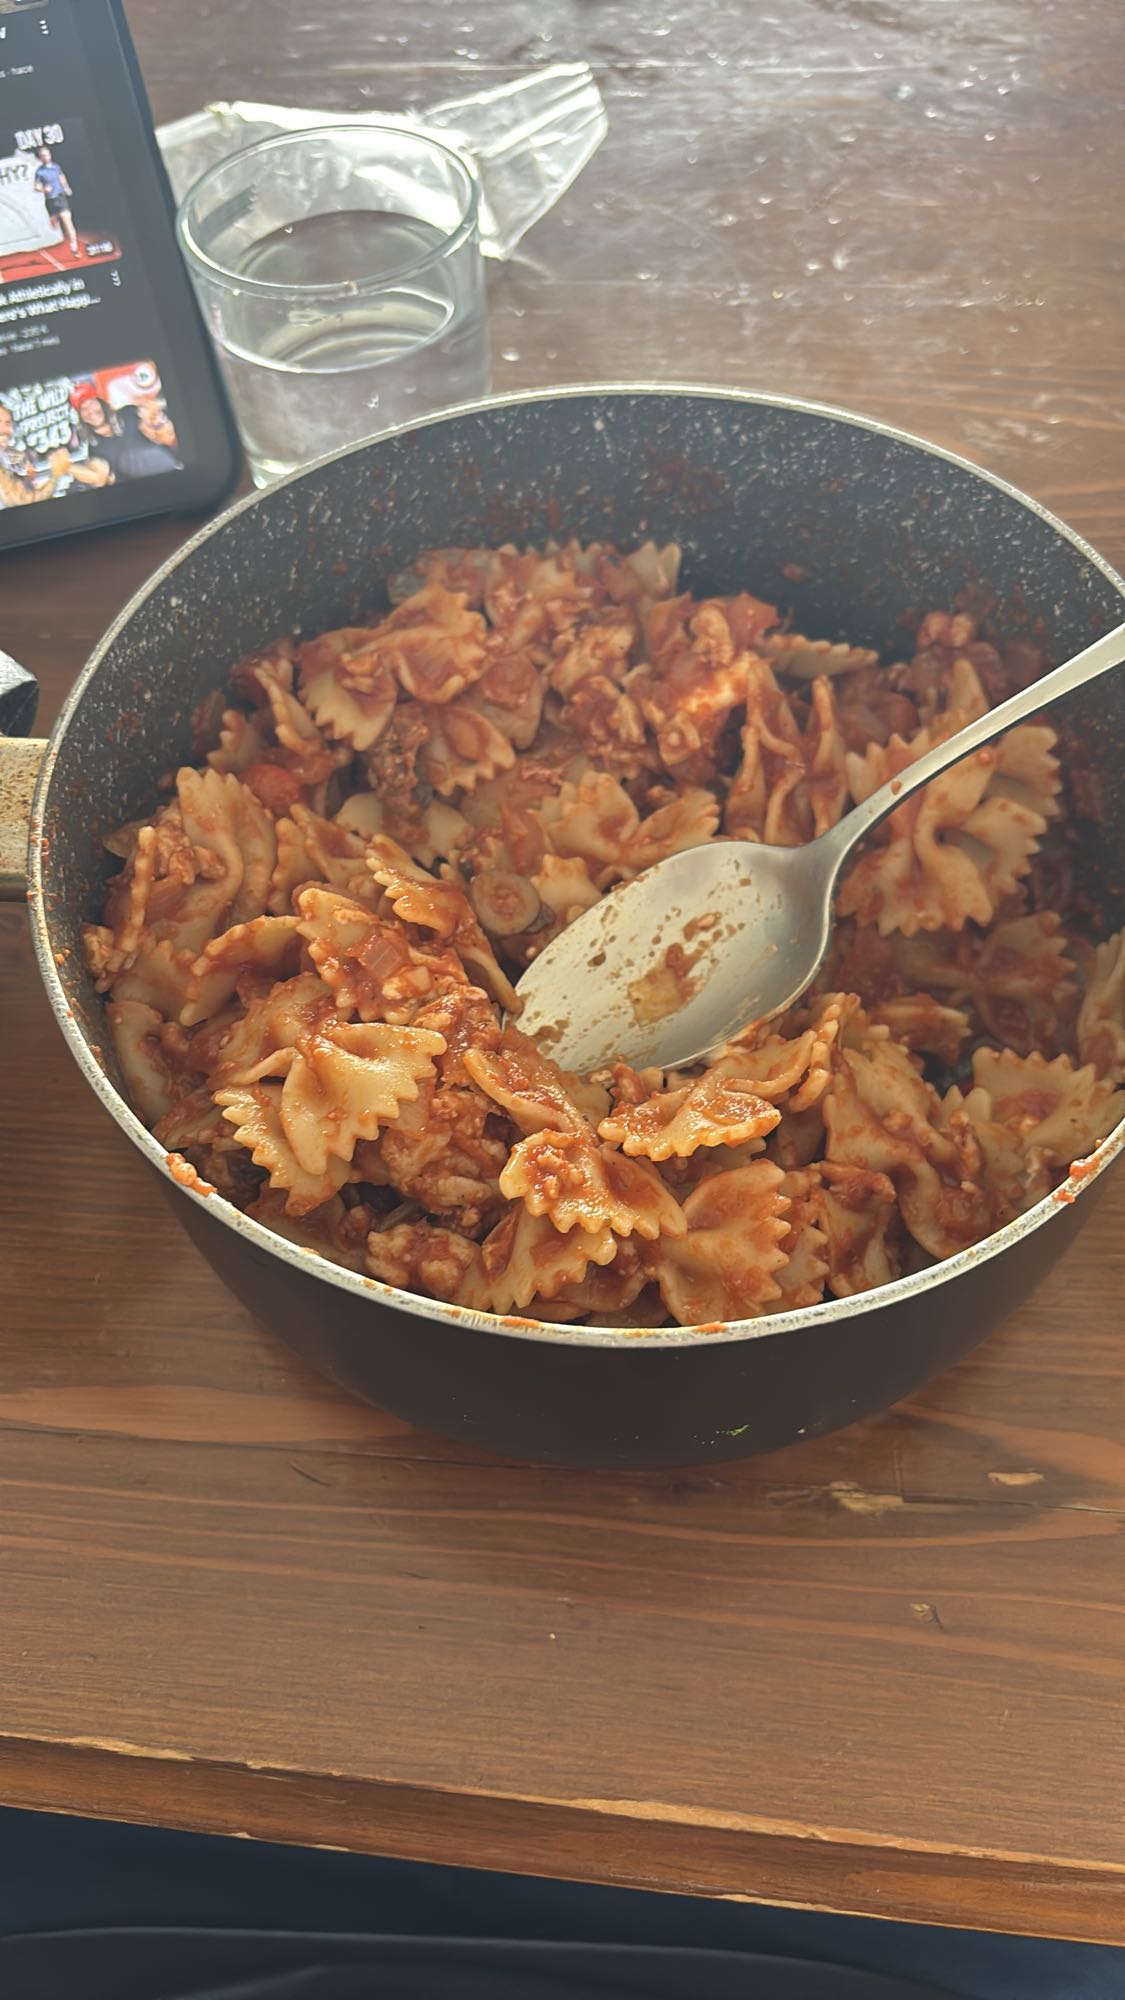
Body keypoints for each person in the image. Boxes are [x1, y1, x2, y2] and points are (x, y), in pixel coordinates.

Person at [70, 382, 183, 479]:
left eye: (91, 403)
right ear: (81, 417)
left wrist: (156, 422)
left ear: (101, 403)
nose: (90, 411)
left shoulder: (128, 412)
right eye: (83, 409)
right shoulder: (95, 450)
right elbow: (109, 479)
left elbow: (162, 430)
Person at [33, 145, 79, 257]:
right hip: (50, 201)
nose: (45, 157)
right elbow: (36, 187)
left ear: (50, 155)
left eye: (47, 154)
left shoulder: (56, 167)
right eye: (42, 156)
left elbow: (61, 177)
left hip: (60, 198)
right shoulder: (39, 172)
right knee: (54, 224)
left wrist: (66, 188)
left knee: (68, 222)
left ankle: (74, 248)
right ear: (40, 158)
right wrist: (44, 189)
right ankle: (54, 219)